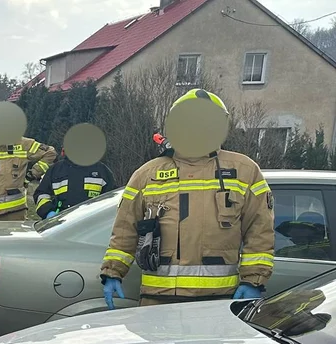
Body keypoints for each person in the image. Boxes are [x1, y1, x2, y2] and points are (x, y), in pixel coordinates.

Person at [101, 89, 274, 308]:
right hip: (158, 301)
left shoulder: (245, 171)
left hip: (218, 303)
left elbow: (260, 231)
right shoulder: (147, 174)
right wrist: (113, 271)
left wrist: (254, 280)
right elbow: (125, 230)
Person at [34, 150, 115, 219]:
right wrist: (48, 212)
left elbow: (112, 200)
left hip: (92, 225)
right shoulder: (56, 170)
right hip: (59, 224)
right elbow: (41, 194)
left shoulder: (102, 171)